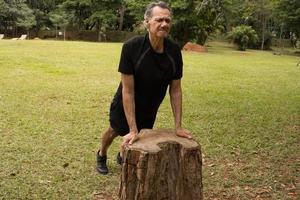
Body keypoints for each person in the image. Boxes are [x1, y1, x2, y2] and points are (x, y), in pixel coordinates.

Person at [96, 1, 193, 175]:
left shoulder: (174, 52)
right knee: (114, 131)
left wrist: (178, 126)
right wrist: (131, 127)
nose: (164, 24)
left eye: (168, 20)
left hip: (150, 105)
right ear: (147, 22)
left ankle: (122, 155)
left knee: (140, 136)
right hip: (127, 100)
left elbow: (176, 90)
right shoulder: (131, 48)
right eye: (159, 20)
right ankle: (101, 154)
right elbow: (128, 90)